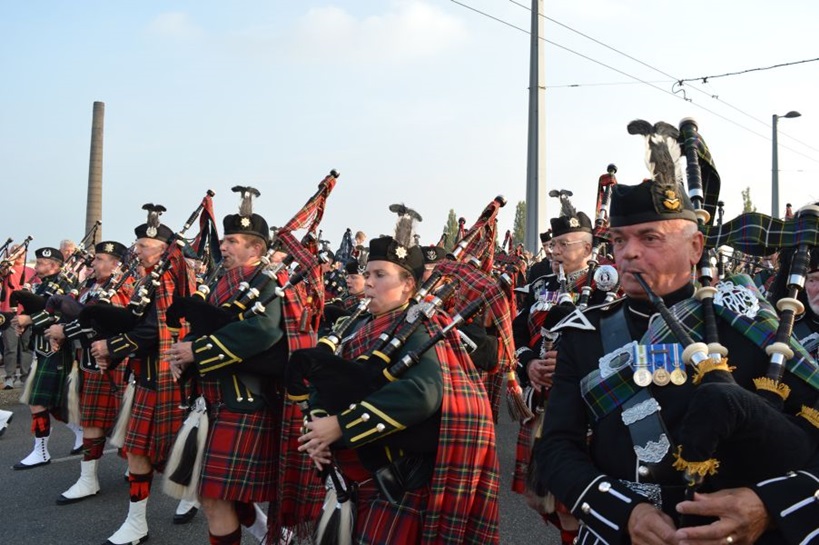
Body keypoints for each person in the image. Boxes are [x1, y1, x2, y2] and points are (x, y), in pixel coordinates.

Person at [535, 174, 819, 544]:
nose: (627, 253)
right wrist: (624, 513)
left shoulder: (747, 324)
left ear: (696, 247)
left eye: (649, 237)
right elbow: (556, 446)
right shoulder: (584, 334)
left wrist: (767, 506)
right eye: (620, 240)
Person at [297, 214, 500, 544]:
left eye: (380, 274)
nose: (369, 282)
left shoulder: (420, 331)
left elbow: (423, 393)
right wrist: (320, 423)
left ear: (408, 284)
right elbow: (328, 380)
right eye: (367, 274)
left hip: (396, 483)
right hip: (354, 476)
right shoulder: (356, 326)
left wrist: (342, 426)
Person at [165, 192, 286, 544]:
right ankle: (269, 535)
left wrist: (197, 352)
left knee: (214, 496)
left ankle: (270, 534)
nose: (225, 246)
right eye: (225, 239)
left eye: (233, 241)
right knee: (216, 494)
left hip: (242, 401)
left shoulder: (268, 285)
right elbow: (207, 326)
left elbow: (261, 332)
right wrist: (182, 357)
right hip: (211, 400)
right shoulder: (220, 282)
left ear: (256, 249)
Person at [91, 205, 195, 545]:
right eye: (136, 245)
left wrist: (113, 347)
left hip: (162, 376)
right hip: (145, 375)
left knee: (163, 448)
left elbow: (155, 330)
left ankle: (190, 494)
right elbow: (137, 322)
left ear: (163, 250)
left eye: (142, 247)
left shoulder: (165, 280)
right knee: (140, 450)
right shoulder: (146, 279)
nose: (135, 252)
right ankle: (137, 522)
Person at [49, 240, 134, 504]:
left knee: (117, 421)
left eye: (99, 259)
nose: (93, 263)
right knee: (94, 420)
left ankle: (126, 468)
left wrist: (65, 331)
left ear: (115, 263)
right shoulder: (89, 286)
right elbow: (78, 315)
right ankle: (91, 477)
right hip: (86, 361)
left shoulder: (123, 289)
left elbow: (105, 324)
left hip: (110, 363)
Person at [12, 246, 77, 469]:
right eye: (37, 262)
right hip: (41, 348)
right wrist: (20, 321)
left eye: (41, 263)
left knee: (38, 401)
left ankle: (41, 451)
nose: (37, 266)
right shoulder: (40, 286)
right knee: (53, 403)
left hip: (55, 348)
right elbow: (33, 309)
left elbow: (61, 314)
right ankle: (80, 434)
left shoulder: (66, 285)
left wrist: (27, 320)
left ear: (55, 265)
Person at [1, 244, 37, 389]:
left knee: (26, 346)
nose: (19, 255)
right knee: (10, 347)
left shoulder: (31, 271)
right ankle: (9, 377)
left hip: (26, 313)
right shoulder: (6, 269)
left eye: (21, 253)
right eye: (16, 252)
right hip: (8, 313)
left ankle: (25, 376)